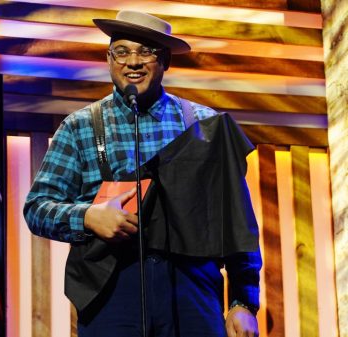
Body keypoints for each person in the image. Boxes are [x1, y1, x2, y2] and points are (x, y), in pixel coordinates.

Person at [24, 10, 262, 337]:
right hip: (111, 291)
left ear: (165, 61)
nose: (132, 61)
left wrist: (242, 301)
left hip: (192, 288)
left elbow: (236, 222)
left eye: (145, 51)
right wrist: (89, 217)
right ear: (109, 60)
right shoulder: (79, 127)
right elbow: (37, 208)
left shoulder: (204, 126)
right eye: (121, 51)